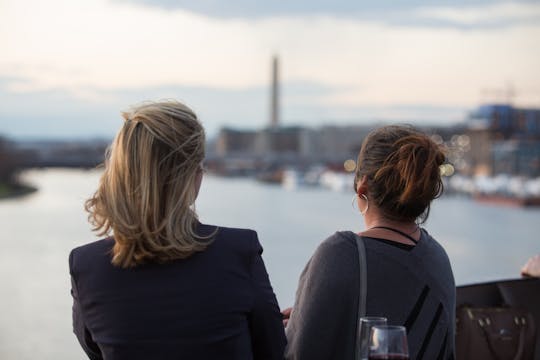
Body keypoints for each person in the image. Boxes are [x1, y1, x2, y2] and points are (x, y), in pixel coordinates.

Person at [69, 100, 286, 360]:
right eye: (200, 164)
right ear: (191, 175)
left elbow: (99, 350)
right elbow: (274, 351)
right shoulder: (239, 251)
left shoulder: (86, 266)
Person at [284, 125, 455, 360]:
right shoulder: (438, 256)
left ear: (362, 187)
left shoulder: (341, 253)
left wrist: (292, 327)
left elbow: (298, 353)